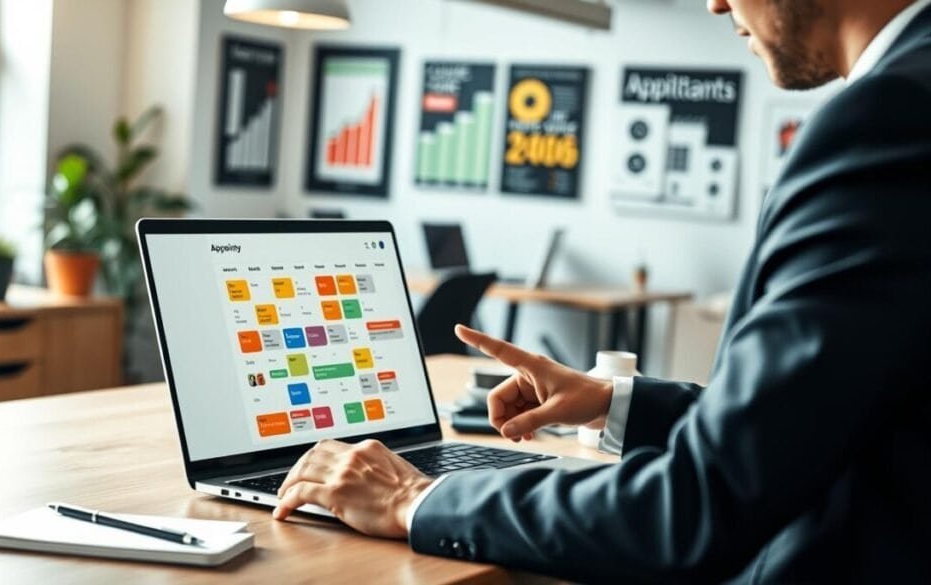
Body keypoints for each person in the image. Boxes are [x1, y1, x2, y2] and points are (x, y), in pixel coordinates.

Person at [275, 0, 931, 581]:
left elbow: (705, 503)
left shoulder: (890, 117)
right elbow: (812, 423)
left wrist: (412, 499)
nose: (714, 3)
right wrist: (611, 402)